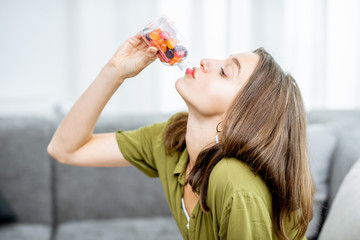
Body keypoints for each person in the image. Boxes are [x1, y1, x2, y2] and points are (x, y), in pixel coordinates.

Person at [48, 32, 314, 240]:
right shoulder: (172, 140)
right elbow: (66, 149)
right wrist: (115, 71)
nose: (206, 61)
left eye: (225, 72)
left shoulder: (233, 181)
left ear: (243, 114)